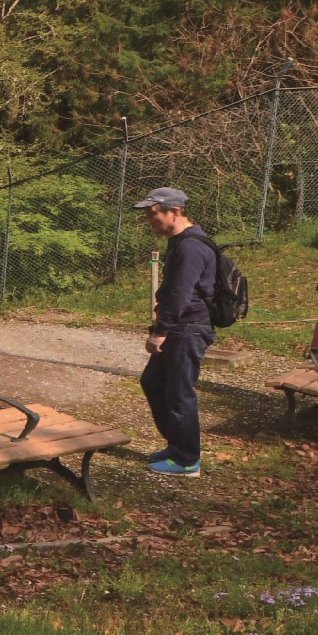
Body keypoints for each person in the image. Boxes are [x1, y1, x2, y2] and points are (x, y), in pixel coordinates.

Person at [134, 187, 216, 476]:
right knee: (154, 381)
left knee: (179, 392)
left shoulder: (191, 247)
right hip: (181, 326)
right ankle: (177, 444)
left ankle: (187, 460)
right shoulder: (180, 242)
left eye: (153, 215)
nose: (150, 222)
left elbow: (181, 295)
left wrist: (161, 331)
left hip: (188, 327)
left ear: (175, 211)